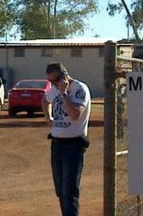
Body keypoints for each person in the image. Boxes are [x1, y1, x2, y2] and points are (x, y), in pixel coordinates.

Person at [41, 62, 91, 216]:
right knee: (61, 191)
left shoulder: (79, 89)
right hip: (57, 144)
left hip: (73, 146)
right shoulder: (55, 89)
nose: (53, 85)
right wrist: (47, 118)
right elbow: (45, 101)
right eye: (50, 82)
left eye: (55, 80)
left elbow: (76, 114)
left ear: (64, 76)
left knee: (69, 192)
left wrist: (63, 93)